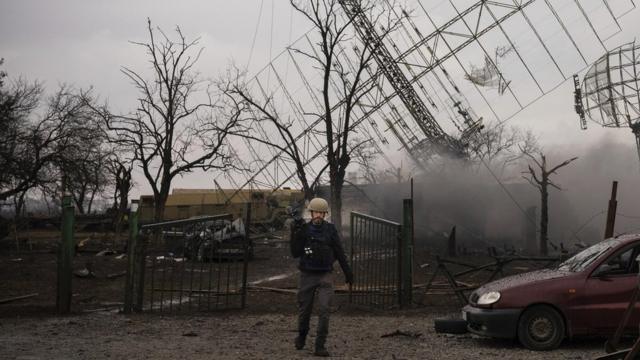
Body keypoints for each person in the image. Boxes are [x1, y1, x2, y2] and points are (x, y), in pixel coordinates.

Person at [289, 197, 353, 357]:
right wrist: (295, 231)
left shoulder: (330, 230)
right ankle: (302, 336)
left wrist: (348, 272)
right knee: (305, 310)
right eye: (315, 212)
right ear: (311, 213)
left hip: (325, 275)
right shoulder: (303, 229)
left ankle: (320, 345)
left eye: (321, 213)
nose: (318, 215)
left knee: (324, 311)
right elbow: (295, 252)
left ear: (325, 214)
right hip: (307, 275)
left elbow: (339, 251)